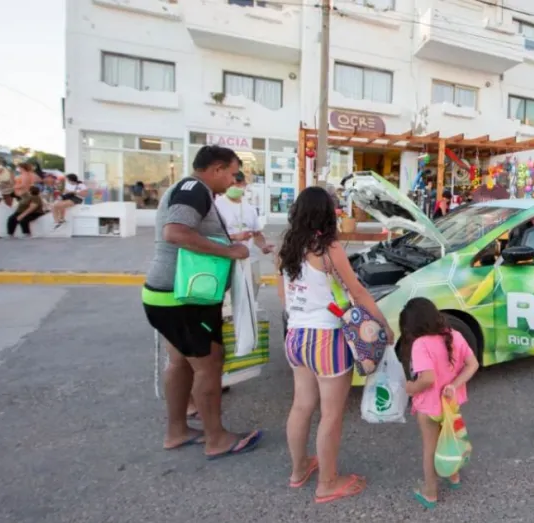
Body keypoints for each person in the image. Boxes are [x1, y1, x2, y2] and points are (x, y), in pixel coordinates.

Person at [142, 145, 262, 459]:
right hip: (183, 299)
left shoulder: (188, 189)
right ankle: (217, 438)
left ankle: (177, 431)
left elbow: (188, 233)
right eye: (233, 173)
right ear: (217, 168)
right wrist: (229, 251)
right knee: (209, 363)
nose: (234, 180)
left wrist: (227, 241)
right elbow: (176, 232)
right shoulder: (195, 188)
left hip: (165, 295)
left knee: (181, 362)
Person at [279, 186, 393, 502]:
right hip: (325, 339)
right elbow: (357, 292)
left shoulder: (287, 247)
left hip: (296, 336)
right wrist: (383, 323)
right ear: (327, 213)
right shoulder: (328, 249)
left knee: (301, 405)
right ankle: (327, 482)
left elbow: (284, 297)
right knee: (331, 414)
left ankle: (299, 470)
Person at [401, 297, 480, 508]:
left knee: (430, 447)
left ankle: (430, 492)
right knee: (449, 438)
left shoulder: (420, 344)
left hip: (429, 406)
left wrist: (410, 388)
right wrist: (454, 384)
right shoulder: (454, 335)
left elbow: (427, 379)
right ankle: (453, 476)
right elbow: (473, 364)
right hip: (450, 402)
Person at [215, 172, 274, 293]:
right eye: (232, 183)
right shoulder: (217, 205)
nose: (234, 186)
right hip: (226, 258)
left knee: (250, 296)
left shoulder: (249, 208)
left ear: (244, 185)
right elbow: (213, 235)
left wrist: (263, 246)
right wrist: (235, 237)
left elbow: (256, 233)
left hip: (249, 259)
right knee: (226, 299)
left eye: (238, 184)